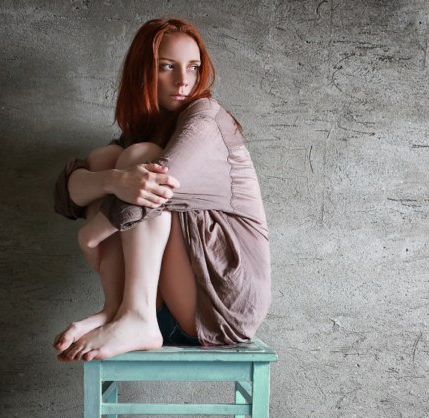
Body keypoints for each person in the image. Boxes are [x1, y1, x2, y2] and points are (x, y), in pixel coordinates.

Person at [51, 18, 271, 362]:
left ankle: (136, 317)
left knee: (142, 160)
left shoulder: (206, 119)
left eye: (193, 68)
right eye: (167, 67)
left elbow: (155, 191)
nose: (184, 80)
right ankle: (119, 311)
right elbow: (66, 196)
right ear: (143, 73)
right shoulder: (145, 130)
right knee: (107, 158)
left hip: (221, 304)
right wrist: (111, 180)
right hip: (170, 303)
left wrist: (89, 236)